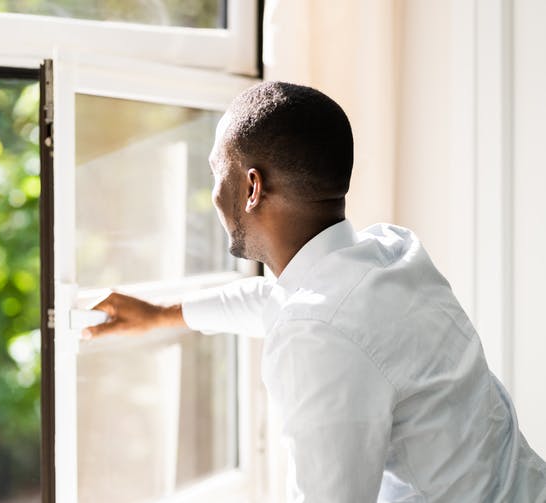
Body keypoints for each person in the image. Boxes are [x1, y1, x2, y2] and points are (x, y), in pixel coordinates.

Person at [82, 82, 546, 502]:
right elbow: (277, 302)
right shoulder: (389, 252)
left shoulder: (319, 334)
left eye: (214, 171)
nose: (211, 194)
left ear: (251, 187)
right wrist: (161, 314)